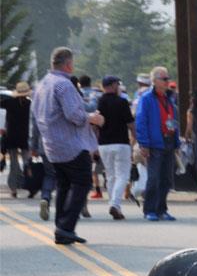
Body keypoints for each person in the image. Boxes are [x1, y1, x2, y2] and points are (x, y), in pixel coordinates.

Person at [30, 47, 105, 244]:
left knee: (64, 184)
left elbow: (35, 115)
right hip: (71, 144)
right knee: (82, 182)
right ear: (68, 64)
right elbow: (74, 115)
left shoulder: (42, 85)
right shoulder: (64, 85)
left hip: (52, 145)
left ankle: (61, 227)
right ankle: (66, 225)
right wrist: (93, 118)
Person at [135, 66, 179, 221]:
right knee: (153, 178)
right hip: (154, 144)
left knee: (167, 179)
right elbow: (141, 121)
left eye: (168, 78)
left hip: (168, 142)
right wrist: (144, 144)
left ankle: (162, 209)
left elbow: (173, 121)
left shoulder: (169, 98)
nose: (168, 81)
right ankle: (150, 210)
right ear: (154, 81)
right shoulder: (146, 99)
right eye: (164, 79)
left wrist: (176, 142)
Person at [95, 76, 135, 220]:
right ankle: (115, 204)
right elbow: (130, 123)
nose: (118, 86)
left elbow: (97, 123)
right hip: (121, 142)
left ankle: (113, 204)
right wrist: (135, 138)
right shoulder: (122, 102)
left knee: (110, 175)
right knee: (123, 175)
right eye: (117, 84)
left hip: (104, 143)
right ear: (112, 85)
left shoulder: (100, 102)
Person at [1, 81, 33, 198]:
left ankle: (13, 189)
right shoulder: (29, 104)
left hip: (11, 136)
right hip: (24, 136)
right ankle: (31, 187)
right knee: (27, 163)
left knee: (14, 163)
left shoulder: (9, 102)